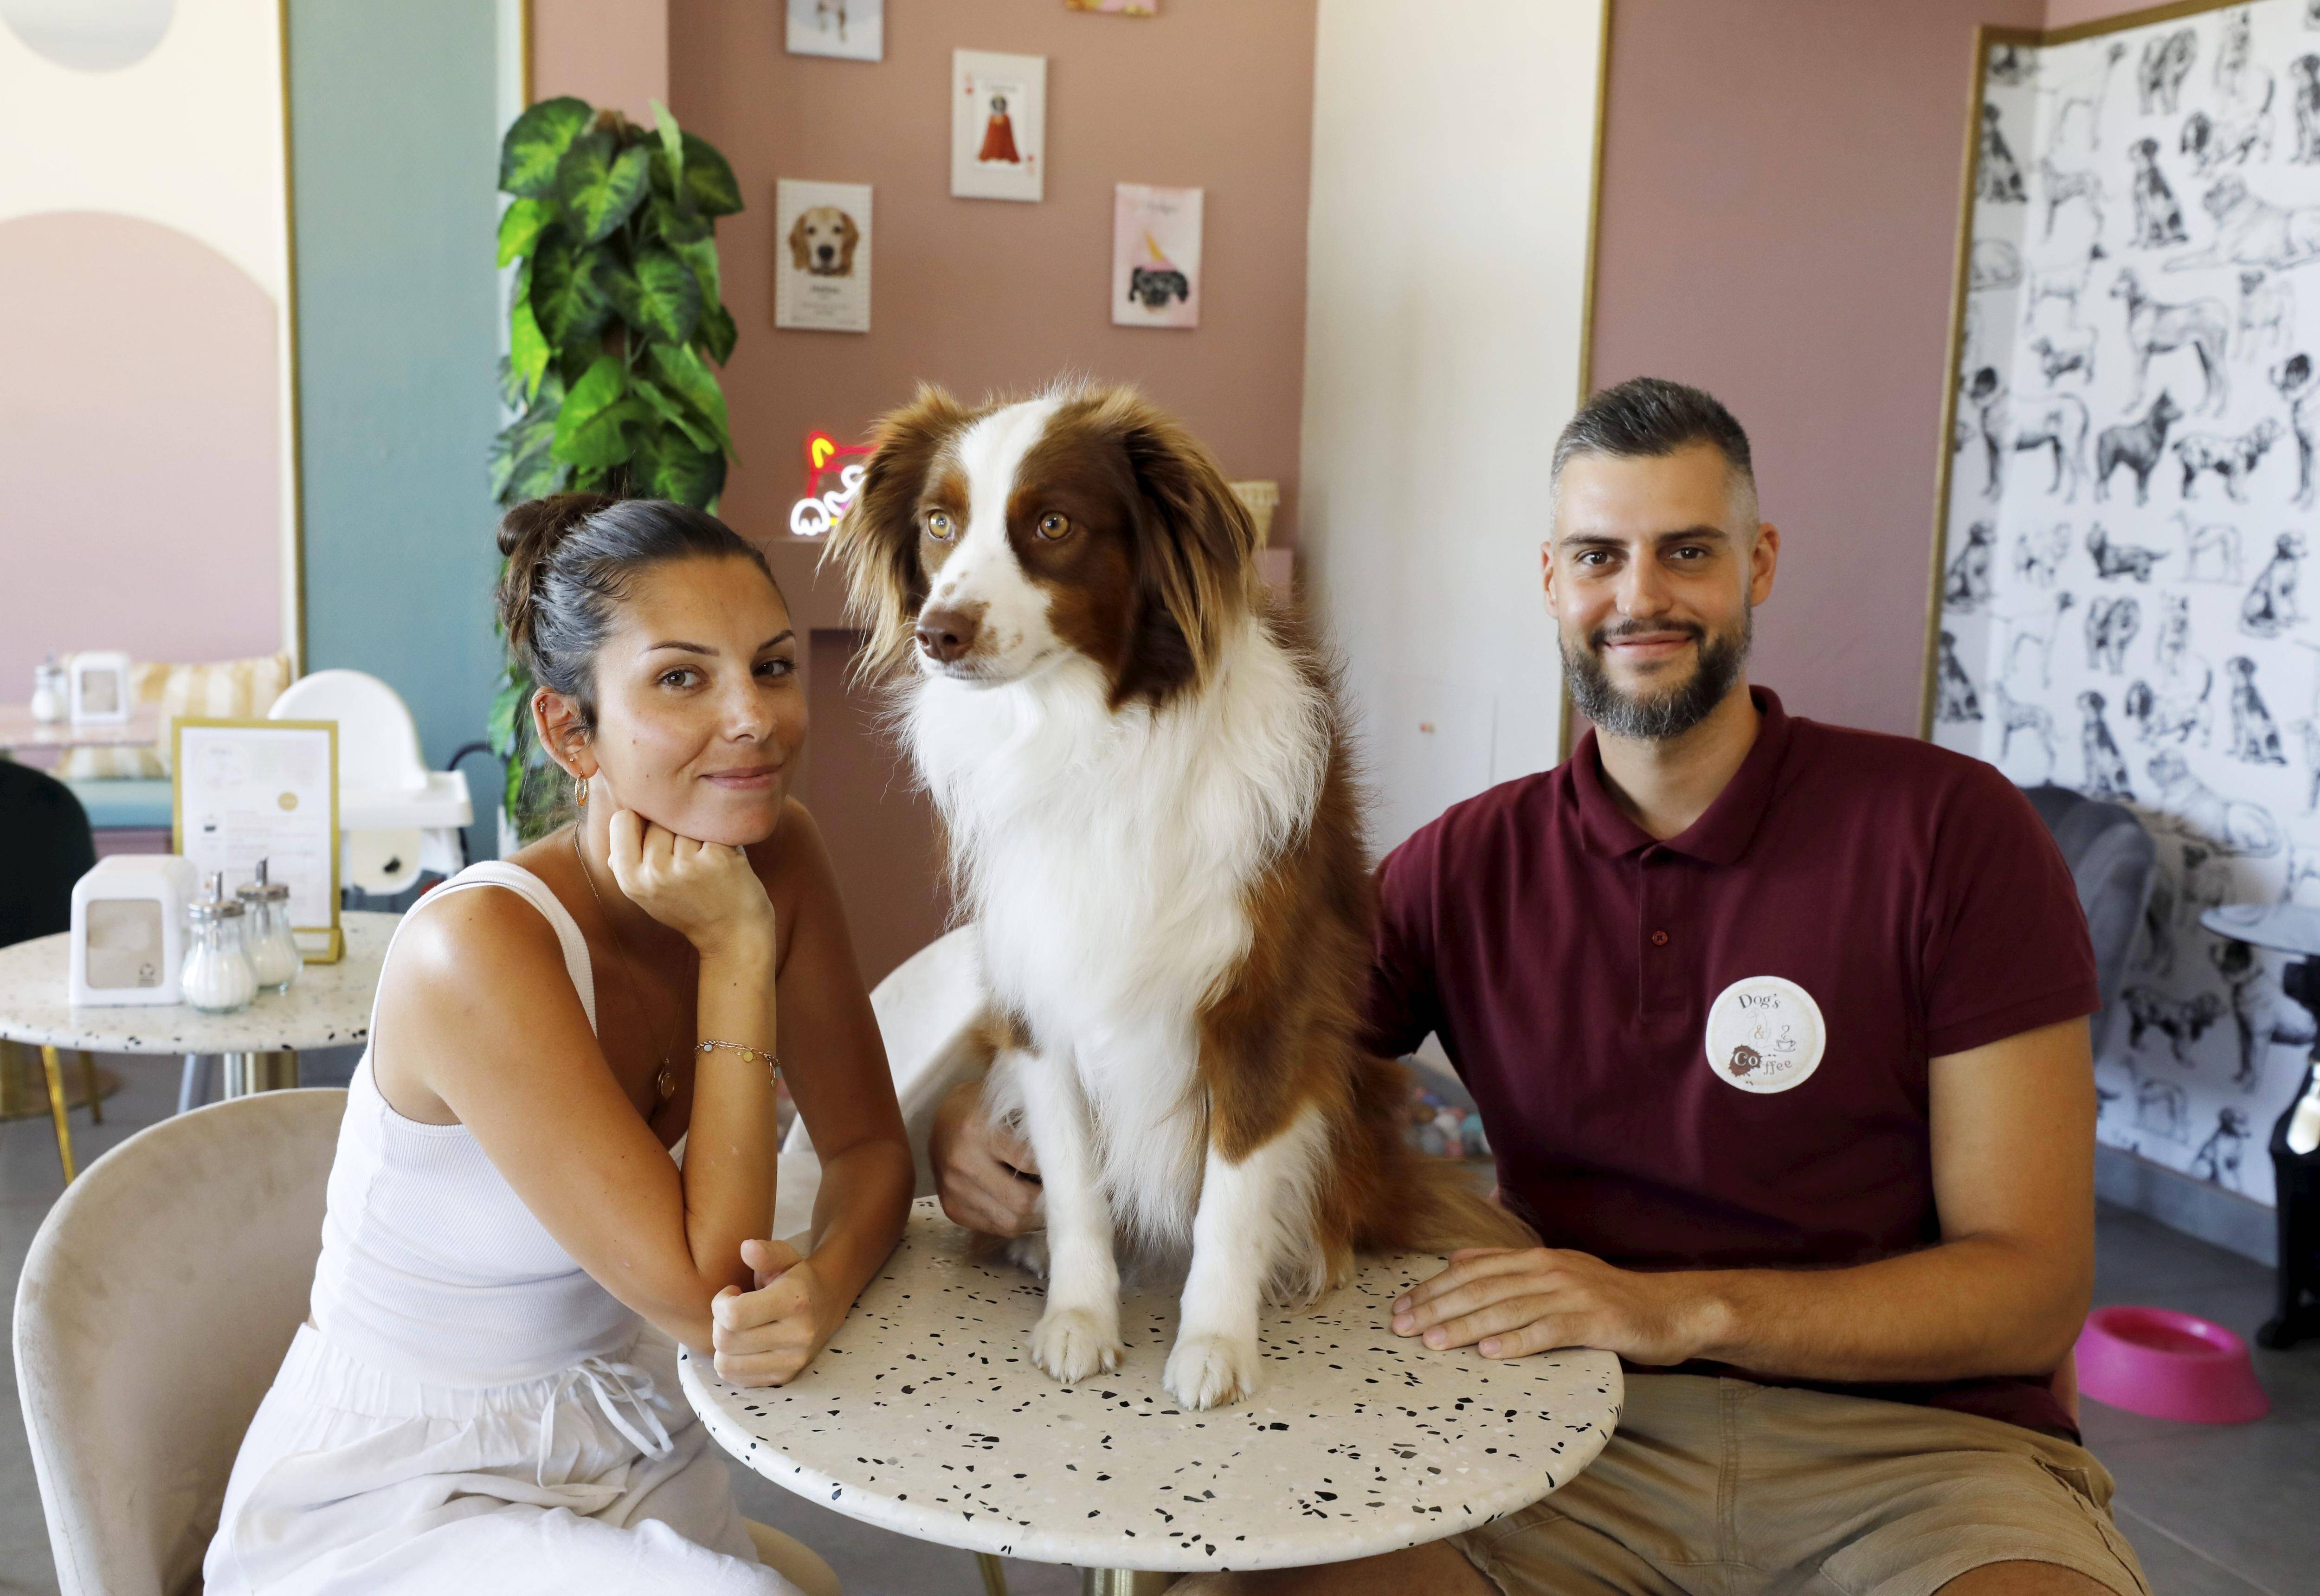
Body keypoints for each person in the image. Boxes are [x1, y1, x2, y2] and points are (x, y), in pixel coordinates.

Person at [929, 380, 2151, 1596]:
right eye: (1598, 556)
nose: (1640, 597)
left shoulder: (1952, 832)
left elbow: (2031, 1295)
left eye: (1688, 552)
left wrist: (1681, 1311)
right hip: (1560, 1438)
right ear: (1553, 581)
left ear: (1760, 563)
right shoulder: (1464, 866)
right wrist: (989, 1128)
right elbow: (1223, 1050)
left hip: (1921, 1457)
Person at [206, 495, 914, 1596]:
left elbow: (871, 1149)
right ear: (569, 731)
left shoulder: (782, 851)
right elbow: (703, 1293)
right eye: (682, 677)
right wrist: (735, 952)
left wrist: (821, 1283)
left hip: (623, 1433)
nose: (754, 718)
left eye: (772, 666)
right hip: (405, 1494)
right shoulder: (476, 947)